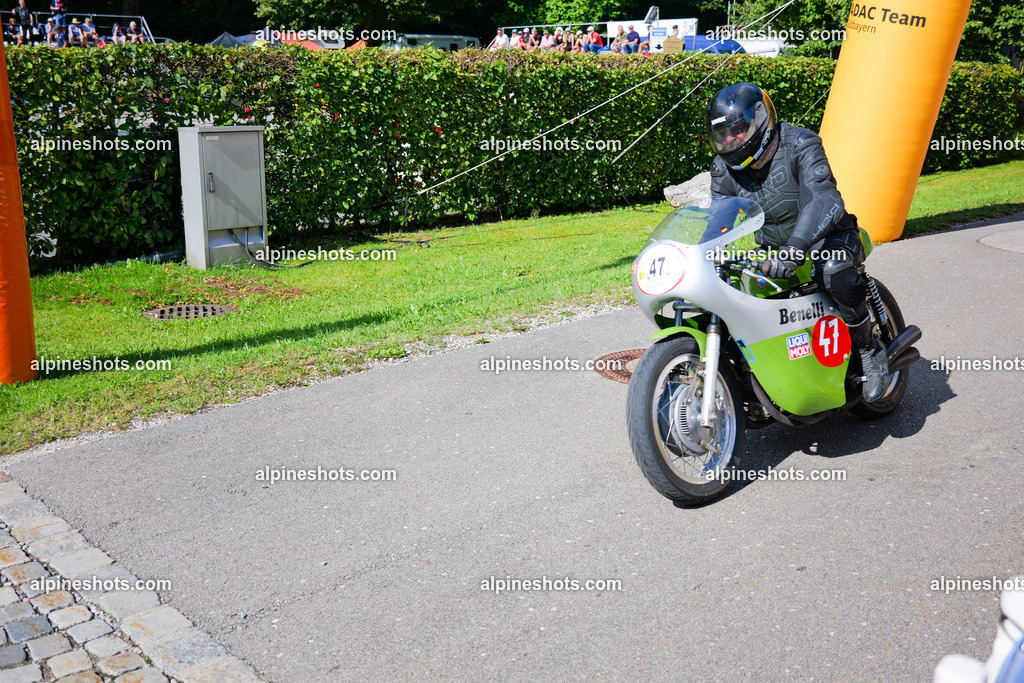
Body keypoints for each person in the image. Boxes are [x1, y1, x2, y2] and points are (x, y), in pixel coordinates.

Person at [706, 82, 890, 400]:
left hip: (829, 237)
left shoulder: (801, 142)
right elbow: (717, 222)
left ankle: (869, 349)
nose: (731, 139)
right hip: (773, 249)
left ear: (761, 118)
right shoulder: (724, 170)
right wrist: (704, 255)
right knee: (733, 287)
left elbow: (824, 199)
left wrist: (794, 250)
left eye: (737, 129)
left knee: (832, 268)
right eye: (723, 133)